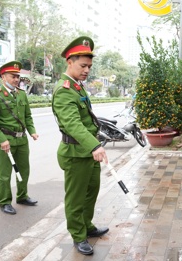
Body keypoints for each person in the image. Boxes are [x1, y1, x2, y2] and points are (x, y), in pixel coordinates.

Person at [52, 36, 109, 255]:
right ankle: (78, 235)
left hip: (88, 152)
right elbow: (73, 124)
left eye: (89, 66)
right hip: (76, 153)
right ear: (69, 61)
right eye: (83, 65)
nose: (87, 70)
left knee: (91, 192)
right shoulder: (64, 90)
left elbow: (87, 119)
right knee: (76, 198)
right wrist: (94, 146)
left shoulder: (78, 87)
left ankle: (87, 225)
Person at [0, 61, 39, 215]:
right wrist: (2, 140)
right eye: (13, 76)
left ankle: (22, 196)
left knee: (24, 170)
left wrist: (32, 131)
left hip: (22, 140)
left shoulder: (21, 93)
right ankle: (4, 201)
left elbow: (27, 116)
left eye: (17, 76)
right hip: (5, 140)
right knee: (5, 173)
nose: (16, 79)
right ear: (3, 77)